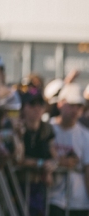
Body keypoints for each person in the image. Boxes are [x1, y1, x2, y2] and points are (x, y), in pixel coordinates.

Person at [49, 83, 89, 216]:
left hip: (78, 201)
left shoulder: (85, 135)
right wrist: (59, 162)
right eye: (71, 105)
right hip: (52, 198)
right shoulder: (48, 128)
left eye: (79, 106)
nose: (75, 110)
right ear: (60, 104)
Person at [16, 90, 58, 216]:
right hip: (18, 186)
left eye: (40, 104)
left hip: (38, 189)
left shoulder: (47, 129)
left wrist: (52, 165)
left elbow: (54, 156)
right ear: (23, 108)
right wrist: (40, 164)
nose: (37, 108)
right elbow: (19, 159)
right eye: (32, 104)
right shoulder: (17, 128)